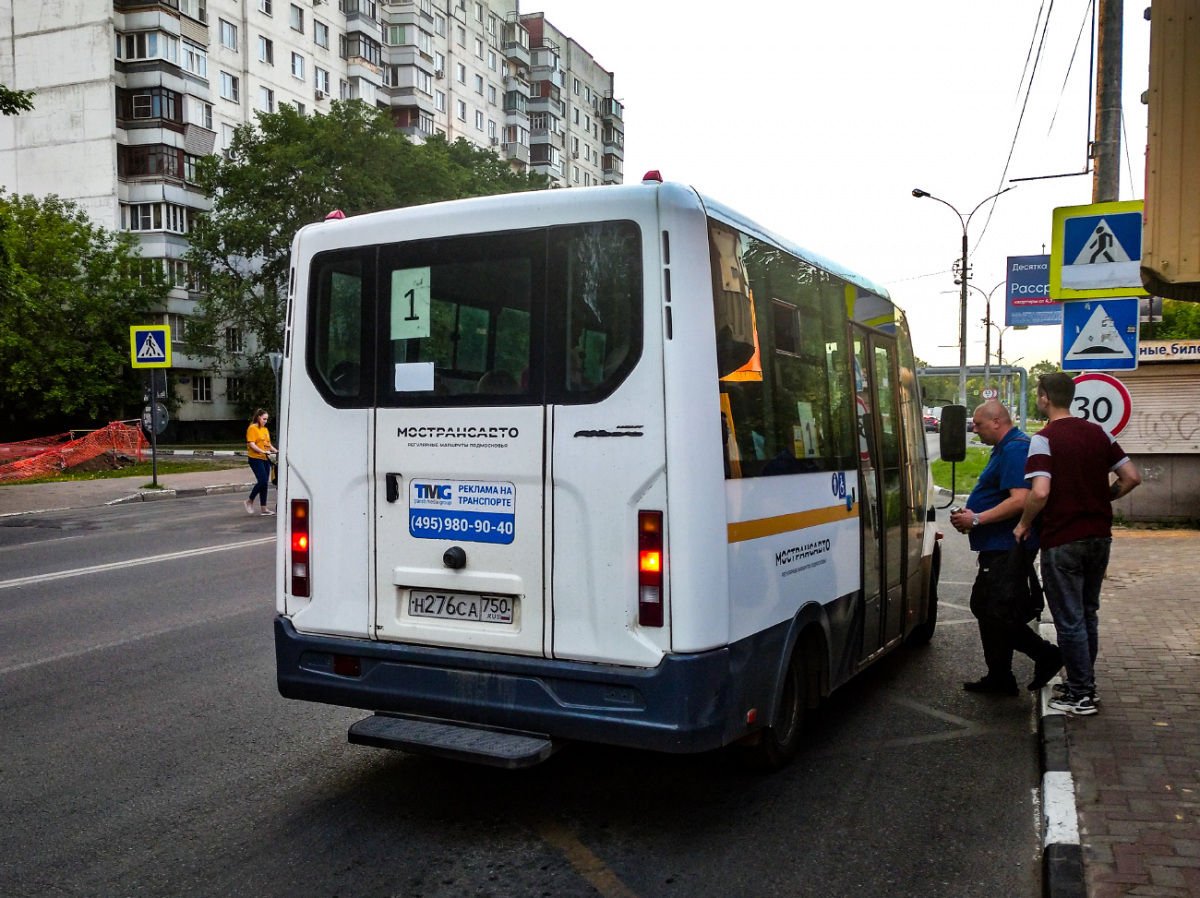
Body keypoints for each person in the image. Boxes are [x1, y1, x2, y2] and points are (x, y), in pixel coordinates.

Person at [1014, 373, 1141, 716]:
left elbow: (1040, 492)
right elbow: (1131, 477)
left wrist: (1024, 524)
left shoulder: (1044, 439)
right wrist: (1105, 497)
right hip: (1100, 537)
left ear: (1044, 398)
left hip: (1063, 539)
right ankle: (1082, 684)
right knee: (1087, 615)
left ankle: (1081, 693)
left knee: (1069, 620)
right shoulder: (1099, 433)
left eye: (1038, 394)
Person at [950, 400, 1061, 696]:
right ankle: (1000, 676)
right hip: (998, 544)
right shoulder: (1005, 447)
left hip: (1007, 545)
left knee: (993, 610)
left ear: (997, 421)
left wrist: (976, 517)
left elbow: (1021, 499)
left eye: (979, 424)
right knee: (991, 608)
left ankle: (1046, 654)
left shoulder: (1014, 448)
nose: (975, 429)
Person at [244, 408, 278, 516]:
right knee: (262, 480)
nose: (265, 421)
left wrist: (275, 450)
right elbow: (251, 444)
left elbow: (268, 444)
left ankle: (264, 508)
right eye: (264, 419)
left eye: (267, 419)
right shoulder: (252, 428)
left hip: (265, 459)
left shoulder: (265, 429)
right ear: (258, 418)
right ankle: (249, 500)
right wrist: (263, 451)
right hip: (255, 458)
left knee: (265, 483)